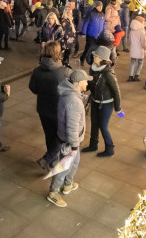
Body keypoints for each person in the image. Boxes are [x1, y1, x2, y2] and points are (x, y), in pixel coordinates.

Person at [47, 69, 91, 208]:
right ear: (78, 83)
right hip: (69, 141)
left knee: (75, 162)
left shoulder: (72, 95)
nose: (87, 82)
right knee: (64, 168)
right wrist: (73, 146)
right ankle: (53, 193)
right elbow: (72, 127)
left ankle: (68, 185)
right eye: (85, 80)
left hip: (72, 140)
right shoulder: (73, 101)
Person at [29, 42, 71, 170]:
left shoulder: (37, 71)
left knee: (49, 135)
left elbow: (33, 88)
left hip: (43, 109)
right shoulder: (65, 72)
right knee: (62, 135)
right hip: (59, 110)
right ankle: (48, 159)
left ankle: (51, 162)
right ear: (58, 53)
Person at [82, 46, 122, 157]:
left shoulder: (108, 73)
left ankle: (110, 149)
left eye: (95, 56)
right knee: (94, 124)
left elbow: (116, 91)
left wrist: (118, 108)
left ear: (101, 58)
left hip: (106, 104)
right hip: (95, 101)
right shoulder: (93, 68)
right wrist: (82, 88)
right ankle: (93, 145)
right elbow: (90, 83)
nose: (93, 56)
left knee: (103, 126)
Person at [79, 0, 105, 66]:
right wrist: (83, 33)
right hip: (91, 34)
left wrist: (103, 33)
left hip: (99, 35)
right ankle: (82, 58)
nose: (100, 8)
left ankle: (93, 61)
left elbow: (103, 24)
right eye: (99, 6)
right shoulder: (91, 13)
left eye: (101, 6)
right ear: (96, 6)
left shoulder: (102, 14)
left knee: (96, 49)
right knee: (88, 48)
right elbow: (86, 23)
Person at [128, 16, 146, 82]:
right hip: (140, 49)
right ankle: (136, 76)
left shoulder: (132, 30)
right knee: (140, 62)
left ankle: (130, 76)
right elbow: (143, 42)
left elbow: (130, 40)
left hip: (133, 48)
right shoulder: (142, 31)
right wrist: (145, 47)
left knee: (132, 62)